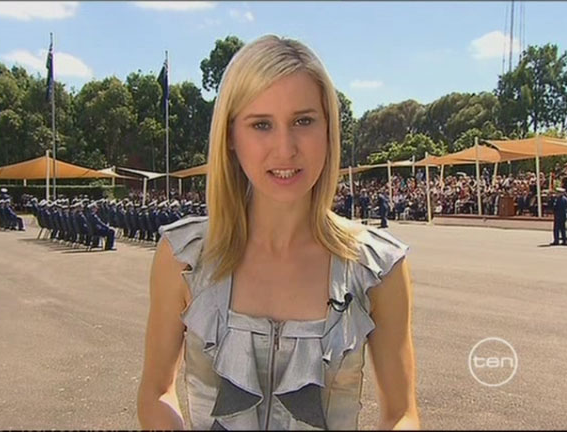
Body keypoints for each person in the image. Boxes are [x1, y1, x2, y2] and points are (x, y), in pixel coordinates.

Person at [137, 35, 419, 430]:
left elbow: (402, 412)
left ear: (328, 129)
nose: (285, 149)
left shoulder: (376, 268)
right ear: (231, 136)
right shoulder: (184, 258)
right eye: (261, 124)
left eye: (303, 121)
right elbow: (155, 391)